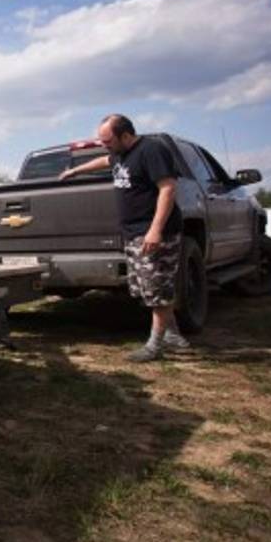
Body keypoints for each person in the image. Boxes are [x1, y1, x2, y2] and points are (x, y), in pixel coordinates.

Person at [59, 114, 190, 362]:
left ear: (126, 135)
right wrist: (75, 171)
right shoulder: (121, 153)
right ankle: (172, 335)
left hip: (155, 234)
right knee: (148, 288)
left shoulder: (151, 150)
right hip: (134, 234)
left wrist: (155, 230)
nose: (104, 145)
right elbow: (104, 161)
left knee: (157, 289)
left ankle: (155, 346)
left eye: (107, 140)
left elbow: (168, 188)